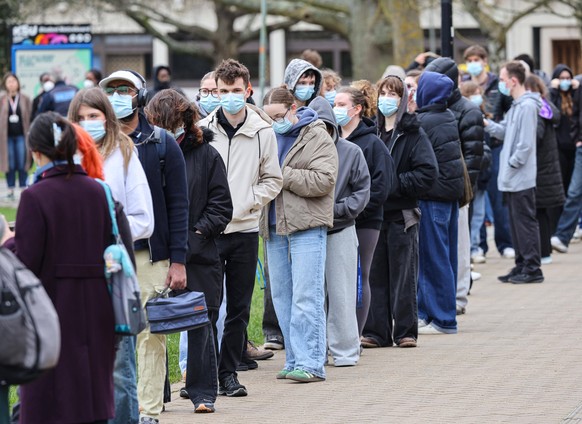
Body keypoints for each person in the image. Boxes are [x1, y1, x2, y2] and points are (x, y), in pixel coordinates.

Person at [1, 112, 127, 423]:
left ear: (36, 151)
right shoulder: (98, 192)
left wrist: (7, 242)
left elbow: (27, 261)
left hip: (52, 307)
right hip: (98, 305)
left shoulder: (34, 196)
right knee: (93, 395)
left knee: (51, 401)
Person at [100, 69, 188, 424]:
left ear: (139, 95)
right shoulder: (94, 144)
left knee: (150, 337)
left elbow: (178, 205)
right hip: (105, 256)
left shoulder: (161, 143)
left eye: (125, 90)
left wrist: (178, 261)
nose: (118, 96)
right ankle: (117, 407)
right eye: (112, 91)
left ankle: (148, 411)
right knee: (111, 337)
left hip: (151, 255)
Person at [67, 87, 155, 422]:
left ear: (107, 117)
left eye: (94, 116)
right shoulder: (68, 156)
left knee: (119, 367)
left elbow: (144, 219)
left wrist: (106, 231)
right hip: (74, 273)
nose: (88, 123)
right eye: (82, 118)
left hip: (113, 273)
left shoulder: (124, 153)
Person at [145, 89, 234, 413]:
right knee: (151, 325)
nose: (167, 129)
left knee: (201, 323)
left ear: (186, 120)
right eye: (159, 122)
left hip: (200, 254)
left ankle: (202, 393)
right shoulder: (148, 154)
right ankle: (158, 392)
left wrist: (194, 236)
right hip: (156, 252)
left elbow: (222, 205)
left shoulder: (207, 155)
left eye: (172, 122)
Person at [198, 59, 282, 397]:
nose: (230, 97)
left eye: (236, 91)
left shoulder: (263, 131)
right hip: (210, 233)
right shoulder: (202, 130)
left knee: (239, 309)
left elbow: (273, 179)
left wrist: (248, 200)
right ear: (215, 91)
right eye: (224, 91)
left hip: (245, 230)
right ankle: (202, 377)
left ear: (247, 91)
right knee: (206, 308)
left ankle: (228, 373)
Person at [261, 85, 337, 381]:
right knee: (281, 295)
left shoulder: (316, 134)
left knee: (307, 294)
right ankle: (293, 359)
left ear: (293, 109)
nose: (275, 122)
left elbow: (324, 180)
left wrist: (282, 174)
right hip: (272, 223)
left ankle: (311, 362)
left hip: (307, 223)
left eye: (279, 115)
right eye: (269, 118)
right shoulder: (267, 135)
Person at [362, 75, 437, 348]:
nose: (387, 99)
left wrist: (394, 184)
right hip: (374, 215)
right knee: (375, 275)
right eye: (383, 93)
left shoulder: (414, 133)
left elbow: (428, 174)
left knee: (404, 275)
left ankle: (405, 331)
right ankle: (375, 332)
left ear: (402, 99)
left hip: (402, 215)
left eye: (393, 94)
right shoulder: (371, 132)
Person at [311, 94, 370, 366]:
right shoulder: (300, 151)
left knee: (342, 293)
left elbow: (362, 191)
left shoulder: (350, 151)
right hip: (309, 232)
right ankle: (315, 350)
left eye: (325, 126)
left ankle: (346, 350)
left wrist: (339, 210)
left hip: (341, 229)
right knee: (311, 296)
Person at [425, 57, 485, 315]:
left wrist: (464, 190)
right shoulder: (434, 111)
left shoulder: (468, 111)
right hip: (440, 189)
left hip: (458, 190)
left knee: (460, 246)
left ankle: (459, 296)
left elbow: (473, 156)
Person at [333, 86, 394, 337]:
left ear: (357, 109)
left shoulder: (373, 143)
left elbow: (381, 186)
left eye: (340, 104)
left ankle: (356, 332)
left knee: (360, 275)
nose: (335, 109)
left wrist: (357, 209)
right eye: (334, 104)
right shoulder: (331, 140)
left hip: (365, 221)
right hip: (335, 221)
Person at [484, 61, 544, 284]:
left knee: (525, 222)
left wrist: (511, 163)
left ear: (513, 80)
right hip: (511, 178)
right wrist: (487, 125)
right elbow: (504, 131)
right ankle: (521, 264)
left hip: (520, 177)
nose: (500, 83)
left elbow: (526, 144)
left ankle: (532, 267)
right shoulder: (516, 106)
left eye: (501, 79)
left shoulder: (527, 107)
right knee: (515, 222)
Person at [415, 71, 464, 335]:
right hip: (448, 197)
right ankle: (431, 312)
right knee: (445, 257)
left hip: (433, 197)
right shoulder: (446, 116)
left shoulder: (426, 121)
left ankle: (443, 319)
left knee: (434, 259)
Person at [463, 44, 515, 261]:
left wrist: (494, 124)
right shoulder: (464, 83)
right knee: (477, 199)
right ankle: (478, 246)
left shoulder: (497, 85)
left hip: (494, 145)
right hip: (474, 145)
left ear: (484, 60)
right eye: (470, 59)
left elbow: (510, 112)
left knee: (497, 196)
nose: (474, 63)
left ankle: (505, 244)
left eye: (477, 59)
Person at [523, 75, 565, 264]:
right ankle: (545, 251)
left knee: (537, 212)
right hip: (547, 168)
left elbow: (534, 137)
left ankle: (543, 252)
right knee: (542, 213)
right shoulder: (546, 106)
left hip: (539, 169)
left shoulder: (535, 110)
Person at [460, 81, 492, 266]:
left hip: (481, 176)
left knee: (479, 215)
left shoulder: (482, 116)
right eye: (473, 93)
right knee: (471, 216)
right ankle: (472, 248)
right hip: (470, 178)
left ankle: (476, 247)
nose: (477, 97)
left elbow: (483, 148)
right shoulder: (467, 115)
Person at [549, 64, 581, 192]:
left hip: (574, 145)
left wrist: (578, 89)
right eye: (562, 78)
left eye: (568, 78)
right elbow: (552, 113)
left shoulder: (575, 95)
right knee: (561, 183)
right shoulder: (554, 95)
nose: (565, 81)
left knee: (573, 185)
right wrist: (553, 90)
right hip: (559, 147)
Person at [0, 73, 32, 199]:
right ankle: (10, 188)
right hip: (6, 137)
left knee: (22, 161)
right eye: (9, 81)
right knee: (10, 163)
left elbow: (30, 115)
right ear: (5, 84)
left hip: (21, 135)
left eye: (14, 81)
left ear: (18, 83)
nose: (11, 83)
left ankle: (24, 187)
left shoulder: (25, 98)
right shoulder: (2, 100)